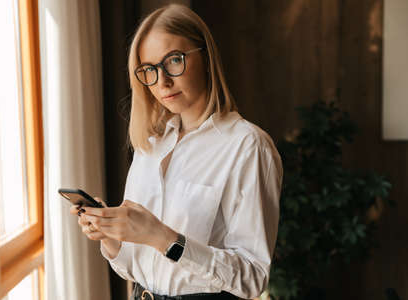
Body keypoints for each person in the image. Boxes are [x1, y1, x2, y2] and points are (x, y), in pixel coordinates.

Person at [70, 4, 283, 300]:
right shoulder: (151, 144)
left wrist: (161, 237)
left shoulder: (248, 147)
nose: (162, 81)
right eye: (149, 70)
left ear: (206, 58)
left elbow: (253, 279)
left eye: (173, 60)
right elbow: (133, 268)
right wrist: (112, 237)